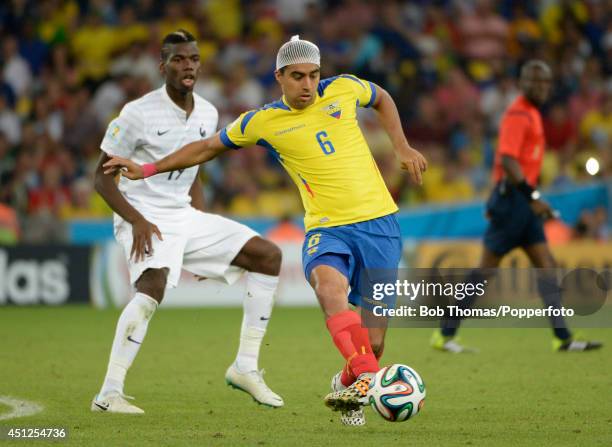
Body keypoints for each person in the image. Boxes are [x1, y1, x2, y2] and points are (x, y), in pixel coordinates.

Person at [103, 35, 427, 426]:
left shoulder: (344, 88)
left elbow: (382, 98)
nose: (307, 85)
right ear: (279, 77)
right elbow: (206, 148)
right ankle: (372, 380)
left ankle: (350, 380)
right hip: (327, 228)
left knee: (372, 343)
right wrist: (149, 168)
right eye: (297, 77)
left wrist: (402, 147)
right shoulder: (263, 121)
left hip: (380, 226)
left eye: (313, 75)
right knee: (329, 288)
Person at [91, 30, 284, 414]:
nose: (188, 66)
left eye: (194, 59)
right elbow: (101, 177)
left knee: (268, 255)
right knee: (152, 288)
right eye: (179, 59)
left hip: (184, 216)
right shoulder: (137, 113)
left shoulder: (209, 112)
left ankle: (245, 366)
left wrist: (199, 232)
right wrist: (137, 220)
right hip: (142, 214)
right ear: (163, 67)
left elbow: (195, 169)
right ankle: (108, 393)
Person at [431, 60, 602, 353]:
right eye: (535, 82)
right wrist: (533, 197)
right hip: (512, 202)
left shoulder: (533, 113)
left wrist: (532, 200)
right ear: (522, 84)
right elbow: (508, 161)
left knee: (546, 264)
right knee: (485, 271)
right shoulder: (518, 115)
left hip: (523, 203)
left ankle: (562, 337)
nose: (541, 87)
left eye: (546, 82)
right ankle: (444, 335)